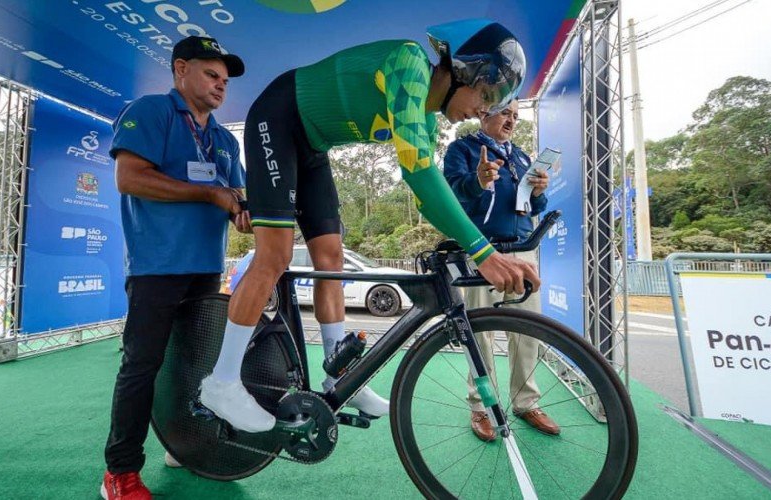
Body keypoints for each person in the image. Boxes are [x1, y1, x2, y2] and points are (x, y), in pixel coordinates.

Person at [198, 18, 541, 433]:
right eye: (486, 95)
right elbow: (417, 172)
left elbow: (425, 195)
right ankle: (221, 383)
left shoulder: (427, 121)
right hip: (278, 116)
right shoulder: (410, 64)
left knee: (332, 259)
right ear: (462, 69)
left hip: (312, 146)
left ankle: (336, 374)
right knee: (275, 256)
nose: (485, 109)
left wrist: (478, 247)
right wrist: (483, 252)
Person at [101, 36, 247, 500]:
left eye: (224, 80)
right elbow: (130, 178)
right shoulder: (150, 111)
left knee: (192, 365)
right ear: (180, 69)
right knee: (143, 366)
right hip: (155, 267)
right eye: (211, 74)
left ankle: (182, 446)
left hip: (206, 269)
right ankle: (119, 473)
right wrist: (208, 193)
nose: (220, 86)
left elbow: (237, 201)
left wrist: (247, 211)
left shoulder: (225, 140)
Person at [443, 99, 560, 441]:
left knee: (527, 334)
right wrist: (476, 181)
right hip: (482, 252)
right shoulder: (461, 150)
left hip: (522, 251)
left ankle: (526, 403)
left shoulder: (523, 156)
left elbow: (531, 206)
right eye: (506, 114)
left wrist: (539, 193)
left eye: (515, 116)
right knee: (478, 334)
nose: (512, 121)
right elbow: (451, 194)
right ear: (484, 114)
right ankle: (481, 407)